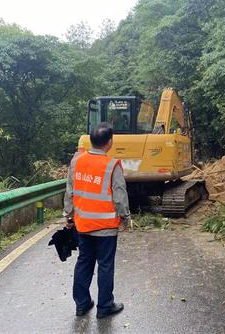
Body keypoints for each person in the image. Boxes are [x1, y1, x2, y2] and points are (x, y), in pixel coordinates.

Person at [63, 122, 131, 319]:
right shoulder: (112, 165)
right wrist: (125, 217)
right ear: (109, 142)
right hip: (106, 228)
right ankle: (104, 307)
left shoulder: (76, 162)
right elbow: (119, 195)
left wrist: (68, 215)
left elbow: (70, 191)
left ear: (91, 140)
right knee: (105, 265)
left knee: (84, 263)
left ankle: (82, 305)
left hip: (83, 224)